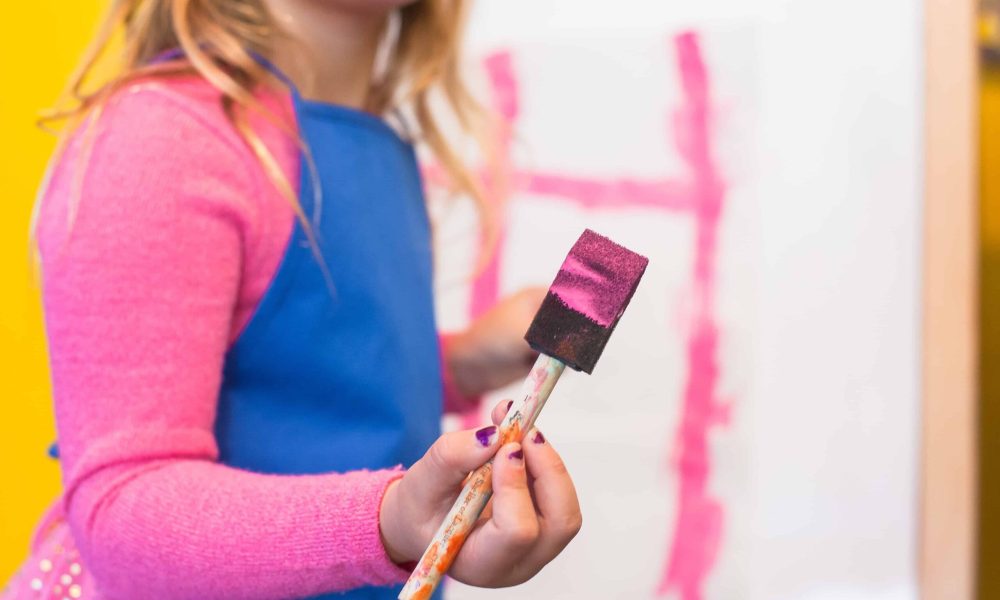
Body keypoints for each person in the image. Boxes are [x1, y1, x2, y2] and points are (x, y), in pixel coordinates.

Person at [2, 1, 581, 598]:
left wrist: (458, 365)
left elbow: (299, 384)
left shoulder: (382, 152)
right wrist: (391, 521)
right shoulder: (162, 139)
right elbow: (122, 508)